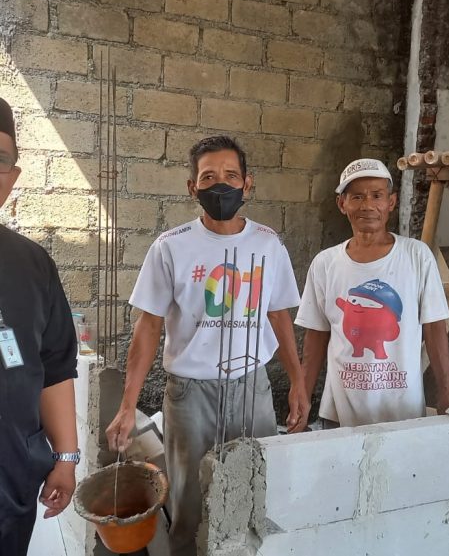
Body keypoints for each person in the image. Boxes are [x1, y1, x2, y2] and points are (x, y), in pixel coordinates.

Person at [106, 135, 310, 556]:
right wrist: (127, 405)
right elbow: (148, 326)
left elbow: (279, 316)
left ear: (247, 184)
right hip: (190, 395)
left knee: (256, 492)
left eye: (231, 176)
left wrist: (298, 381)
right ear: (192, 187)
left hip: (252, 387)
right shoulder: (171, 246)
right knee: (189, 506)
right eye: (209, 177)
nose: (221, 185)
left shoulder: (267, 243)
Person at [296, 158, 449, 428]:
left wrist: (446, 393)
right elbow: (316, 335)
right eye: (357, 197)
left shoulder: (416, 256)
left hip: (402, 412)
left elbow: (434, 327)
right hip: (340, 413)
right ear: (342, 204)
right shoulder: (325, 263)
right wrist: (302, 396)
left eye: (377, 196)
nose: (367, 205)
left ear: (391, 202)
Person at [0, 98, 79, 556]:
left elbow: (54, 366)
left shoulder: (33, 265)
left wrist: (65, 458)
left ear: (12, 176)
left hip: (9, 488)